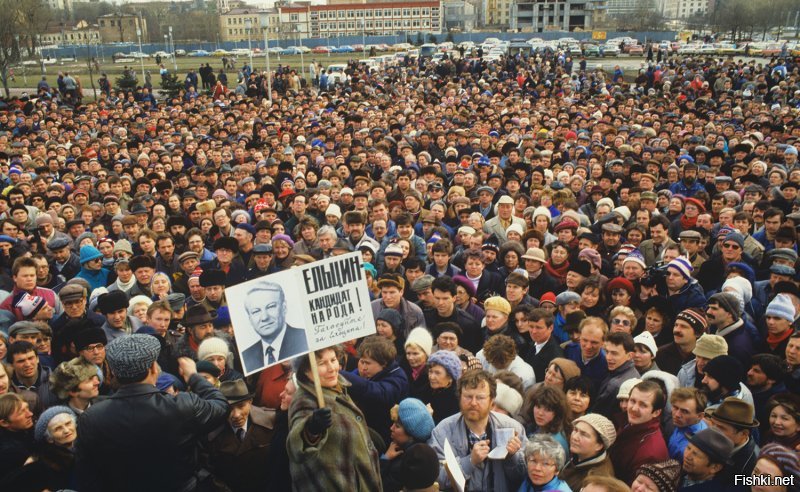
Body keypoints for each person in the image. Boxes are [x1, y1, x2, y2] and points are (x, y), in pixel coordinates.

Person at [74, 334, 229, 491]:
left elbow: (87, 474)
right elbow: (221, 405)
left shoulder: (91, 418)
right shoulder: (182, 406)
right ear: (154, 368)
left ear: (114, 372)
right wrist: (193, 376)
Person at [287, 345, 382, 490]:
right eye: (321, 363)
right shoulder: (305, 400)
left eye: (333, 359)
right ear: (305, 371)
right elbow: (296, 447)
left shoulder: (337, 388)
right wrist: (311, 429)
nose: (331, 368)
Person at [429, 369, 527, 491]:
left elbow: (524, 477)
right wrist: (470, 461)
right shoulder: (443, 431)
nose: (473, 403)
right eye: (468, 397)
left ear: (492, 401)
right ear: (459, 397)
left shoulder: (513, 428)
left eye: (480, 397)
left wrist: (512, 457)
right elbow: (437, 478)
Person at [205, 380, 276, 492]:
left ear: (250, 401)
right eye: (229, 409)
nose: (236, 415)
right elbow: (208, 472)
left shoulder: (271, 422)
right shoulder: (211, 433)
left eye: (241, 406)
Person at [341, 335, 409, 443]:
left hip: (385, 438)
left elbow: (376, 391)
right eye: (361, 361)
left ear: (384, 364)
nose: (363, 367)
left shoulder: (398, 378)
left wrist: (338, 374)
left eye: (367, 363)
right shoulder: (362, 373)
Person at [241, 280, 308, 373]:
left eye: (270, 307)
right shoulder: (246, 356)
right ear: (250, 318)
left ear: (284, 308)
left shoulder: (305, 339)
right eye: (256, 311)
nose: (264, 317)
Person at [611, 380, 669, 484]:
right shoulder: (629, 422)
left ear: (656, 412)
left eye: (643, 405)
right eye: (632, 401)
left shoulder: (650, 454)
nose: (634, 408)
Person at [381, 397, 436, 492]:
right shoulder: (421, 453)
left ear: (411, 435)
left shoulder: (403, 465)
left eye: (397, 426)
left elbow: (377, 485)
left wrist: (385, 459)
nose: (391, 428)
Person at [706, 397, 760, 481]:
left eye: (721, 428)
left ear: (743, 434)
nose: (713, 430)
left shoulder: (753, 465)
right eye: (712, 423)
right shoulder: (710, 440)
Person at [559, 413, 617, 491]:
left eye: (584, 434)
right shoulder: (579, 456)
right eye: (575, 430)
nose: (575, 437)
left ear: (599, 445)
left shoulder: (596, 482)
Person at [667, 388, 708, 461]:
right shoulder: (682, 423)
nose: (677, 415)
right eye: (675, 408)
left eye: (685, 411)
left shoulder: (700, 443)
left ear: (699, 416)